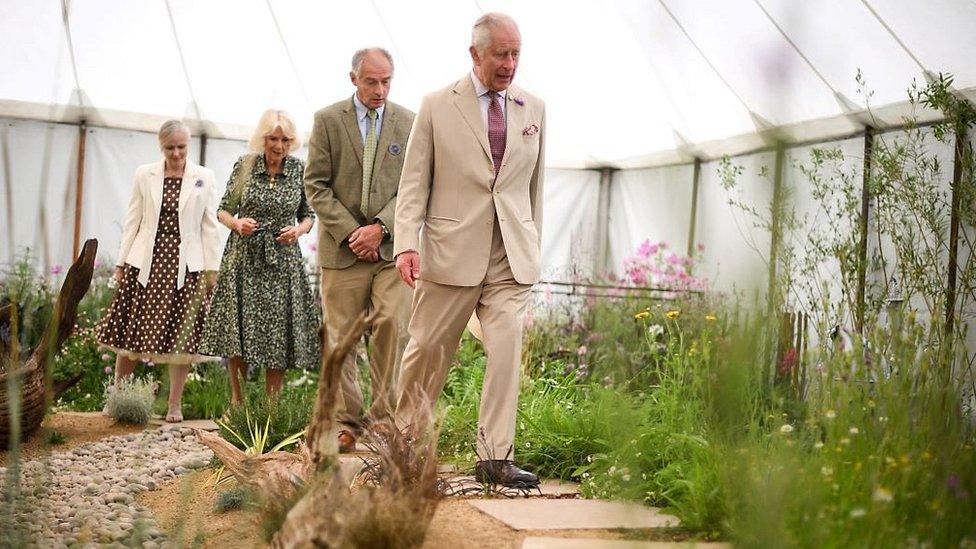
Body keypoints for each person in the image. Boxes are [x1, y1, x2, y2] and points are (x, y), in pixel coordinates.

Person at [393, 13, 546, 487]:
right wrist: (404, 244)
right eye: (501, 53)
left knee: (506, 352)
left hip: (509, 255)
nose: (510, 63)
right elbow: (414, 182)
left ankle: (494, 457)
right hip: (450, 251)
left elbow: (534, 186)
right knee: (428, 351)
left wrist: (533, 243)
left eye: (516, 53)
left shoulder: (533, 108)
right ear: (475, 54)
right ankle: (400, 447)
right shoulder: (438, 105)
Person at [304, 48, 415, 452]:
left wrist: (381, 228)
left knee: (391, 324)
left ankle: (385, 420)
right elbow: (315, 185)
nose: (380, 90)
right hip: (342, 251)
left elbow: (413, 188)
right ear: (353, 78)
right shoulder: (328, 121)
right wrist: (354, 233)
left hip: (389, 253)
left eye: (387, 81)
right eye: (371, 81)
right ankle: (345, 423)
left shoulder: (408, 122)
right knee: (341, 338)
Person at [97, 119, 220, 423]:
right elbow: (133, 220)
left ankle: (174, 406)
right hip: (146, 264)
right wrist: (122, 263)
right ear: (160, 146)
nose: (176, 153)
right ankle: (117, 397)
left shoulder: (204, 177)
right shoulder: (144, 174)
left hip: (186, 266)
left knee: (182, 338)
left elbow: (210, 227)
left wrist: (211, 270)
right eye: (170, 147)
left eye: (181, 147)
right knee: (130, 333)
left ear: (187, 145)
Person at [200, 109, 320, 404]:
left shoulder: (298, 170)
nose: (279, 146)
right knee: (238, 331)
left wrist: (298, 231)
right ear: (262, 138)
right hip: (244, 259)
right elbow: (222, 210)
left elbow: (309, 215)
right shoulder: (244, 166)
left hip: (282, 261)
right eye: (272, 139)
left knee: (278, 333)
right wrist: (237, 224)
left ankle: (271, 408)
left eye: (285, 140)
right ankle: (236, 403)